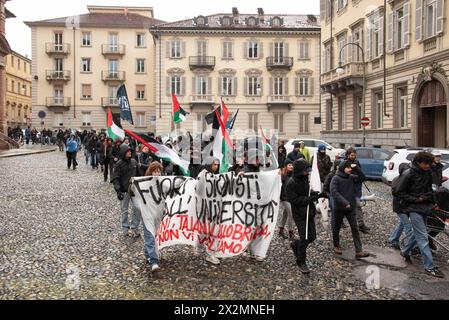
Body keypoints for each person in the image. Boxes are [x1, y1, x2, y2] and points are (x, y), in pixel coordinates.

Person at [397, 151, 444, 278]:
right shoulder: (408, 174)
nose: (428, 166)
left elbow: (430, 189)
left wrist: (433, 202)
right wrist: (416, 200)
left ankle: (405, 251)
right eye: (426, 163)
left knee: (418, 234)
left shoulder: (427, 172)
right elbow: (399, 192)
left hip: (425, 207)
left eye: (429, 163)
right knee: (423, 236)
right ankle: (429, 267)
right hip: (413, 208)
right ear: (418, 162)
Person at [285, 159, 323, 274]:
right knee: (305, 237)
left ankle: (295, 244)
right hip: (299, 214)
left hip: (309, 212)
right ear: (300, 170)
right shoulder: (290, 183)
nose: (308, 172)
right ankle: (301, 261)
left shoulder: (305, 179)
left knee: (312, 237)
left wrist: (314, 193)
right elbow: (296, 200)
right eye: (306, 170)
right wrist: (314, 198)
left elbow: (305, 193)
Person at [330, 160, 370, 259]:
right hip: (339, 208)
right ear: (343, 168)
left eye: (350, 168)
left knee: (355, 228)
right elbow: (334, 193)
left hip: (350, 208)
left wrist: (356, 167)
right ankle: (336, 245)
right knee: (336, 227)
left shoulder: (351, 177)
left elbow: (363, 178)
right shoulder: (335, 179)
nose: (350, 169)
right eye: (348, 167)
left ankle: (359, 251)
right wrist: (345, 202)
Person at [112, 144, 141, 238]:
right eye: (127, 151)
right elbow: (115, 178)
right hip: (124, 191)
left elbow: (139, 175)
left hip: (134, 190)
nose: (129, 152)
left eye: (130, 151)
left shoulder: (134, 162)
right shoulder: (118, 164)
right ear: (123, 152)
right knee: (124, 210)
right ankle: (125, 228)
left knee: (137, 208)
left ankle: (134, 227)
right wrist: (118, 191)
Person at [142, 161, 163, 273]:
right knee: (150, 235)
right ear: (151, 171)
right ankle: (154, 262)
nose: (157, 174)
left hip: (157, 214)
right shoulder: (144, 184)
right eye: (155, 171)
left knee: (154, 234)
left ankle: (148, 253)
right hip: (147, 214)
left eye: (159, 172)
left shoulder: (163, 184)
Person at [388, 163, 413, 250]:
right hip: (400, 207)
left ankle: (393, 239)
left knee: (402, 224)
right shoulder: (397, 180)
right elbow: (396, 193)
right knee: (408, 227)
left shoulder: (407, 180)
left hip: (405, 206)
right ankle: (410, 245)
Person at [345, 148, 370, 233]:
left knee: (357, 207)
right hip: (349, 189)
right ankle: (340, 222)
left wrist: (358, 172)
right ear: (348, 155)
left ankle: (360, 225)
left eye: (354, 155)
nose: (353, 156)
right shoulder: (345, 163)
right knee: (350, 207)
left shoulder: (356, 162)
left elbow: (361, 174)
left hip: (357, 188)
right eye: (352, 155)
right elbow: (345, 176)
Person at [278, 159, 295, 240]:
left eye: (292, 165)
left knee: (285, 213)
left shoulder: (293, 174)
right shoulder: (282, 175)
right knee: (291, 213)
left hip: (291, 197)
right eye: (289, 165)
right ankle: (290, 232)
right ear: (285, 166)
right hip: (284, 197)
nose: (291, 166)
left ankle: (281, 230)